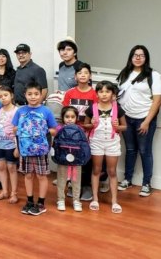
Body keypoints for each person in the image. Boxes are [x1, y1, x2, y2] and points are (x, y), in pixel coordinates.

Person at [116, 45, 161, 197]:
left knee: (144, 151)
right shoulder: (124, 73)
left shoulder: (153, 75)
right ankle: (127, 179)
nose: (138, 58)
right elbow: (117, 95)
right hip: (126, 118)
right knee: (130, 150)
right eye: (135, 55)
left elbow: (157, 101)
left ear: (146, 58)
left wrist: (147, 121)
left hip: (144, 118)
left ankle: (146, 183)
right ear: (130, 57)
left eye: (141, 55)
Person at [13, 82, 57, 216]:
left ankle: (41, 203)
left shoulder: (46, 111)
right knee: (27, 175)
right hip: (25, 149)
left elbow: (54, 130)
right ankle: (30, 200)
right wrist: (22, 130)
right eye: (30, 94)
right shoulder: (20, 111)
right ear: (25, 95)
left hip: (41, 149)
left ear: (41, 95)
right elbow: (14, 129)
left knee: (41, 175)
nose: (33, 97)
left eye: (36, 94)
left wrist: (41, 130)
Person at [83, 81, 127, 213]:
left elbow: (124, 127)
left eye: (107, 91)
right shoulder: (92, 108)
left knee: (112, 171)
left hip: (112, 142)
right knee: (96, 170)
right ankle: (95, 199)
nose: (104, 94)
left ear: (113, 94)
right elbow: (86, 126)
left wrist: (117, 126)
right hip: (96, 141)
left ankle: (114, 201)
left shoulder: (117, 108)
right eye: (101, 91)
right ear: (97, 94)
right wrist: (91, 123)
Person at [62, 63, 98, 200]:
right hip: (72, 134)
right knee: (73, 159)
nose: (83, 75)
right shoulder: (70, 93)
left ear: (90, 76)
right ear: (75, 76)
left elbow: (96, 115)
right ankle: (73, 185)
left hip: (88, 133)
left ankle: (86, 186)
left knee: (87, 159)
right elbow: (65, 113)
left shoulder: (94, 94)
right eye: (80, 73)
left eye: (86, 72)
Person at [54, 106, 84, 212]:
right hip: (63, 160)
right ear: (63, 118)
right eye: (67, 117)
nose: (70, 119)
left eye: (72, 117)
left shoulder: (80, 129)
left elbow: (83, 145)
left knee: (76, 180)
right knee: (61, 180)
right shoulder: (59, 129)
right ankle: (60, 200)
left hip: (76, 160)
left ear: (76, 118)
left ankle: (76, 200)